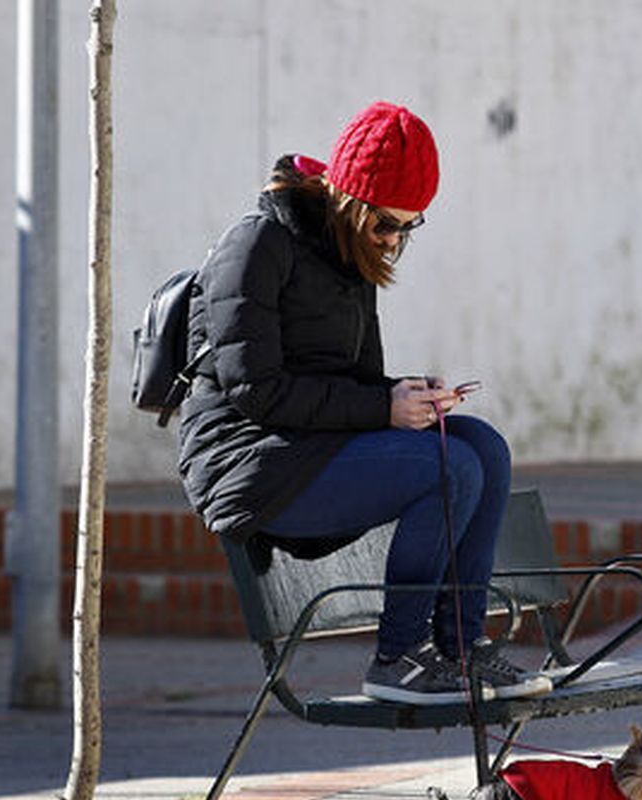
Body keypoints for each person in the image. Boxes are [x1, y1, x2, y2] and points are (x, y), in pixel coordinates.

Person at [177, 101, 550, 705]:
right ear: (347, 198)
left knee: (481, 444)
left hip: (313, 449)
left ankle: (462, 647)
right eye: (385, 224)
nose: (394, 238)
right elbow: (257, 391)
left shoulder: (348, 256)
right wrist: (382, 408)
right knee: (449, 467)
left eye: (408, 226)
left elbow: (350, 383)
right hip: (250, 467)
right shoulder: (255, 245)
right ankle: (398, 659)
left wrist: (407, 398)